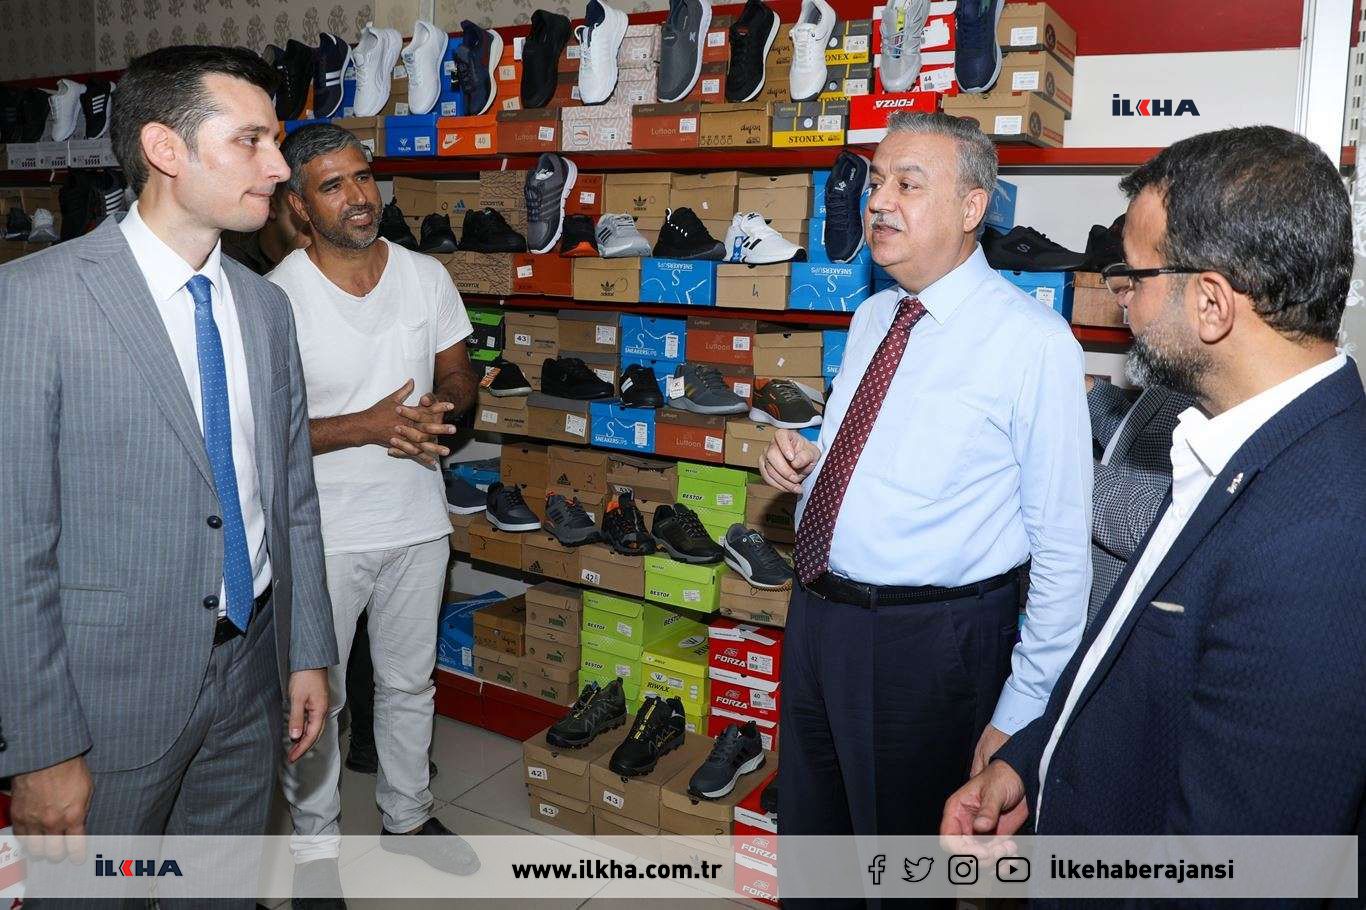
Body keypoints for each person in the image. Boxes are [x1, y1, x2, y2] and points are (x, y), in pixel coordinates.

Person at [943, 126, 1366, 844]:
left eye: (1133, 280)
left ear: (1211, 303)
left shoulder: (1322, 535)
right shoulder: (1230, 442)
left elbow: (1232, 875)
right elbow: (1135, 666)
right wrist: (1030, 762)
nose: (1122, 304)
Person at [0, 43, 336, 903]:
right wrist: (41, 747)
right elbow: (12, 545)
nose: (278, 167)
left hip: (251, 670)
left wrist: (306, 652)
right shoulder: (36, 300)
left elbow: (291, 499)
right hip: (106, 699)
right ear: (164, 148)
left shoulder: (266, 307)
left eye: (276, 142)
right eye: (251, 141)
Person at [758, 111, 1092, 850]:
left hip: (928, 646)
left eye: (907, 185)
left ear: (972, 208)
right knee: (815, 845)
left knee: (904, 863)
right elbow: (868, 455)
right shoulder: (875, 315)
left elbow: (1064, 551)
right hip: (816, 618)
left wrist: (1023, 708)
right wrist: (804, 469)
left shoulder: (1033, 343)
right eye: (877, 182)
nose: (878, 201)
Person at [267, 123, 480, 906]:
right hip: (320, 533)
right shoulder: (276, 298)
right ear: (299, 205)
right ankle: (314, 850)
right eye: (333, 185)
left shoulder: (425, 275)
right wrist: (366, 425)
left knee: (408, 683)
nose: (359, 196)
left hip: (417, 518)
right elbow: (263, 432)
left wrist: (443, 407)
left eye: (363, 177)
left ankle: (408, 816)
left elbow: (459, 371)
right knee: (316, 700)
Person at [1085, 375, 1195, 623]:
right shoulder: (1187, 371)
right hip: (1109, 598)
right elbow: (1147, 442)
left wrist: (1068, 474)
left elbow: (1168, 527)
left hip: (1136, 612)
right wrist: (1084, 390)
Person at [222, 181, 310, 275]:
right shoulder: (230, 260)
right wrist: (289, 261)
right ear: (271, 206)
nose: (310, 213)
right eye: (299, 203)